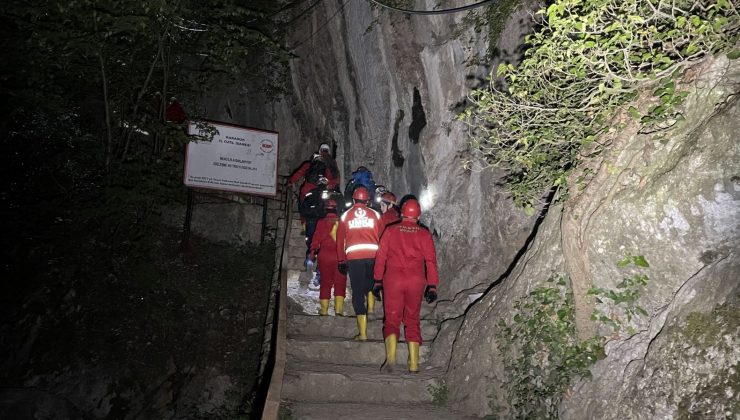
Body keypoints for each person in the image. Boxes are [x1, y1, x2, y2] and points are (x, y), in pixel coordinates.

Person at [372, 198, 439, 373]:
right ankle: (414, 364)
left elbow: (381, 257)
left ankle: (392, 358)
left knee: (392, 319)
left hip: (393, 279)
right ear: (418, 214)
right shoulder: (424, 234)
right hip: (416, 281)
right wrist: (432, 285)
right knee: (412, 319)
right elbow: (431, 262)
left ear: (401, 212)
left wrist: (377, 280)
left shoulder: (390, 230)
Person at [336, 186, 383, 340]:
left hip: (354, 257)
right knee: (370, 284)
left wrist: (341, 260)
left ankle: (363, 333)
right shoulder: (375, 214)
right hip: (373, 256)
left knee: (357, 292)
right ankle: (371, 310)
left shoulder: (345, 216)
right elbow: (383, 236)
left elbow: (340, 240)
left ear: (354, 199)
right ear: (367, 200)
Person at [308, 199, 347, 316]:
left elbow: (315, 239)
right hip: (340, 257)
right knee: (340, 283)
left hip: (324, 257)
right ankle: (338, 310)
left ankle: (324, 310)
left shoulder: (321, 222)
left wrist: (312, 253)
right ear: (336, 209)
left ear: (325, 209)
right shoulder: (342, 222)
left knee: (325, 283)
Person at [288, 145, 341, 230]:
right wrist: (331, 188)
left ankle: (304, 226)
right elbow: (333, 180)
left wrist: (290, 182)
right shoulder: (328, 166)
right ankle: (322, 228)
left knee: (303, 207)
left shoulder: (309, 164)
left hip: (307, 191)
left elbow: (299, 173)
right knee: (322, 209)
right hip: (321, 192)